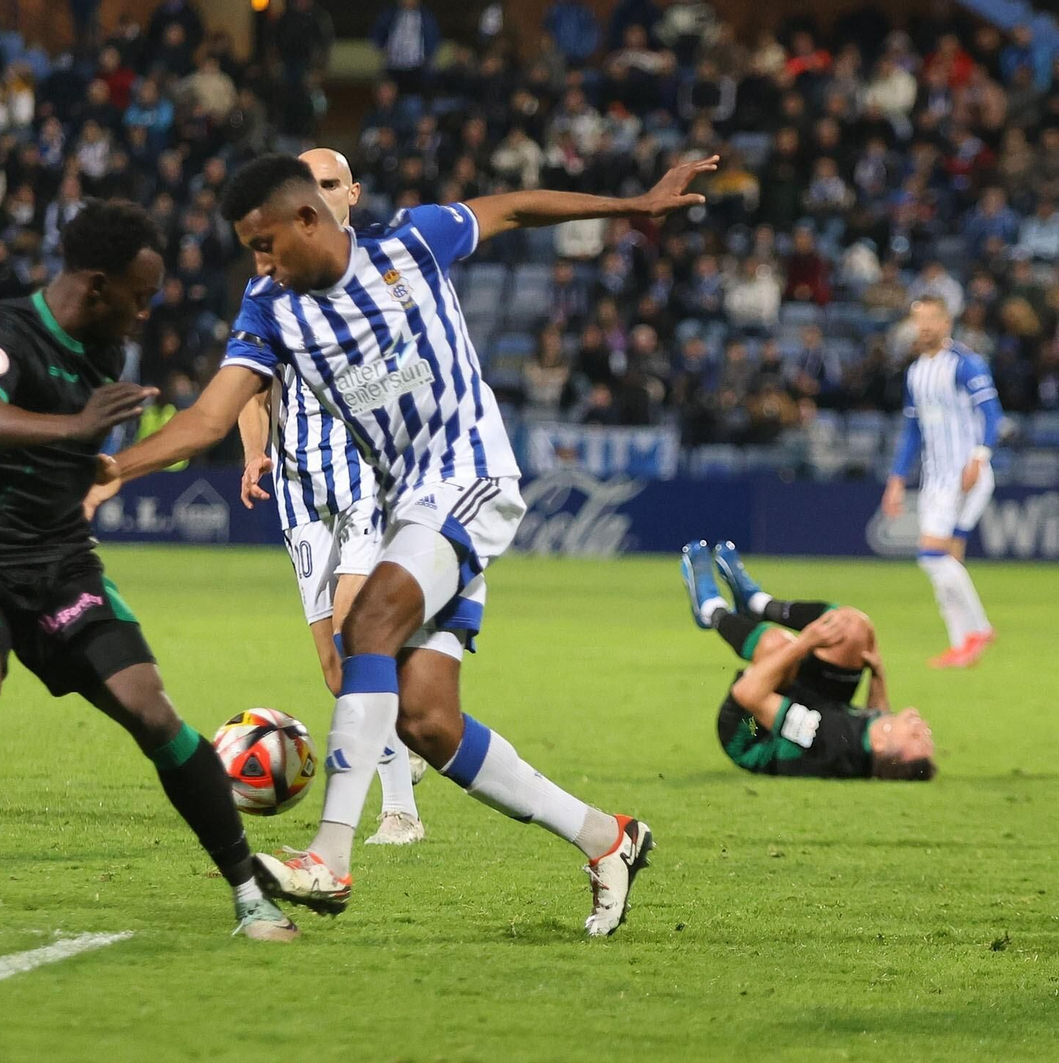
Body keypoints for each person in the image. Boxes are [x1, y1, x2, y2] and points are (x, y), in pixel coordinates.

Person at [87, 151, 718, 936]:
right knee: (428, 720)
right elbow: (211, 419)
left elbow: (513, 206)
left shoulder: (411, 243)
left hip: (472, 475)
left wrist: (632, 204)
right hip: (405, 509)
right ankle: (607, 838)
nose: (260, 263)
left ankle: (329, 853)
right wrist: (116, 463)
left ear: (307, 220)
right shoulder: (270, 309)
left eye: (265, 244)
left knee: (369, 623)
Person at [0, 201, 297, 943]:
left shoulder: (103, 354)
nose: (146, 313)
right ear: (95, 285)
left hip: (59, 562)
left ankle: (249, 891)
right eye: (139, 296)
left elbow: (40, 461)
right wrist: (73, 431)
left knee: (153, 711)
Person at [236, 148, 427, 847]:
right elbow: (250, 389)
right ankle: (400, 738)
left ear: (351, 193)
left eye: (326, 182)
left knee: (357, 635)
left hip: (367, 482)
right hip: (298, 489)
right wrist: (255, 449)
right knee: (334, 666)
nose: (313, 195)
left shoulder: (384, 274)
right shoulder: (269, 288)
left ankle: (400, 809)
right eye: (304, 184)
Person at [680, 541, 937, 781]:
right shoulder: (870, 742)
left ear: (882, 744)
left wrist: (805, 643)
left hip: (752, 728)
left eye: (916, 735)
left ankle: (711, 611)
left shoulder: (826, 738)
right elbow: (877, 716)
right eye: (927, 735)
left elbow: (748, 694)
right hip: (815, 706)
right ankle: (759, 604)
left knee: (778, 647)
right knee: (854, 628)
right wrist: (878, 674)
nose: (922, 727)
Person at [882, 296, 1004, 668]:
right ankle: (962, 646)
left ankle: (979, 629)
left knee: (931, 555)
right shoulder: (916, 372)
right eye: (919, 320)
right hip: (936, 480)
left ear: (947, 322)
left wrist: (980, 456)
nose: (925, 327)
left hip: (965, 476)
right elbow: (912, 431)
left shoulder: (966, 364)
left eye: (932, 319)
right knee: (947, 562)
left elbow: (993, 414)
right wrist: (897, 479)